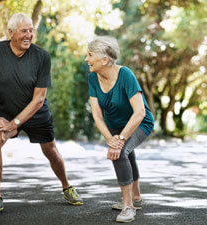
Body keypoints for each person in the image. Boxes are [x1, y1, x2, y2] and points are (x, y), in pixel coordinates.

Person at [0, 13, 83, 216]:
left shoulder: (41, 57)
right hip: (5, 111)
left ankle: (66, 186)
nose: (29, 35)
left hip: (35, 113)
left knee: (51, 150)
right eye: (23, 31)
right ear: (10, 33)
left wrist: (15, 123)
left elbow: (38, 99)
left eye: (31, 30)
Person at [85, 36, 154, 223]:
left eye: (90, 55)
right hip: (115, 127)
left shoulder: (125, 75)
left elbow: (139, 112)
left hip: (140, 123)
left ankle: (128, 206)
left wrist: (120, 140)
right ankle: (136, 198)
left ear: (104, 59)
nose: (86, 59)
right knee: (125, 152)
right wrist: (110, 139)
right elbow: (97, 116)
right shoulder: (93, 77)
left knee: (121, 152)